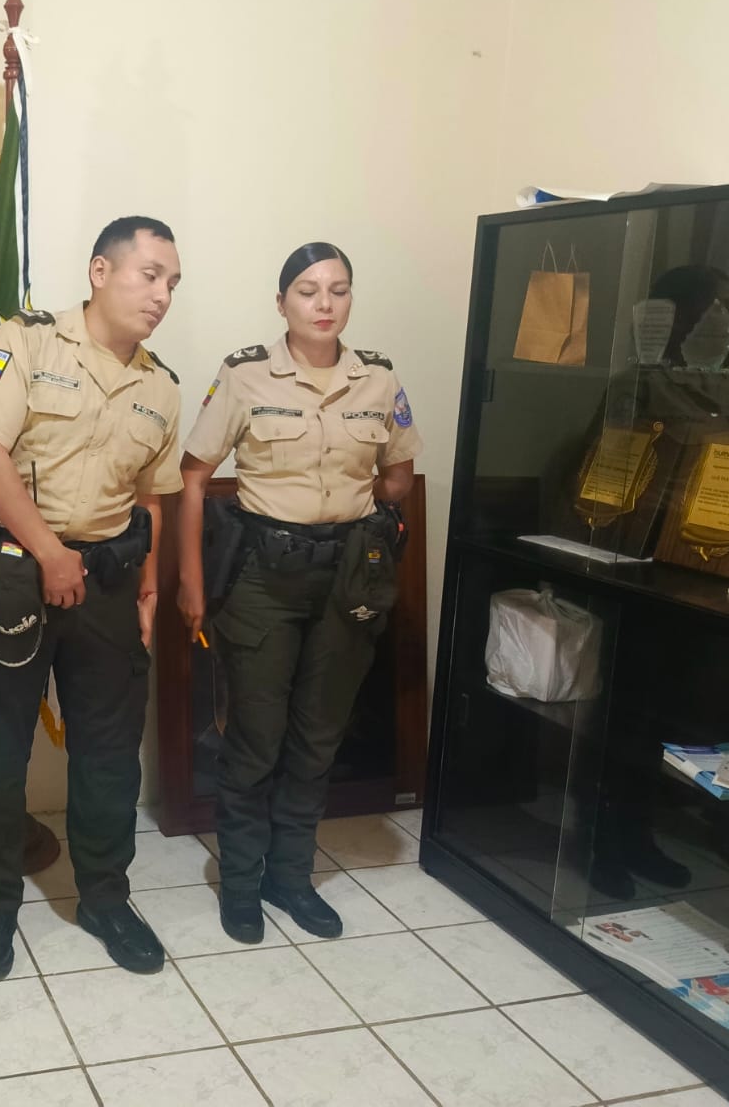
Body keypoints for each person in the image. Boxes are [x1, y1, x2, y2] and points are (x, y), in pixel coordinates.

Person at [0, 216, 184, 980]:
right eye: (149, 274)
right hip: (19, 573)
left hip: (110, 584)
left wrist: (148, 590)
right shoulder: (26, 342)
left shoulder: (161, 386)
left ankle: (105, 898)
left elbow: (151, 497)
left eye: (172, 283)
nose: (162, 294)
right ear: (100, 271)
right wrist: (52, 555)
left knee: (110, 755)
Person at [177, 241, 421, 944]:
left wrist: (361, 516)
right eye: (308, 291)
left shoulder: (378, 378)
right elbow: (194, 476)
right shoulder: (245, 374)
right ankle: (242, 883)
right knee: (255, 740)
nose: (324, 304)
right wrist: (192, 581)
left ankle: (291, 878)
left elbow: (398, 474)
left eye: (338, 290)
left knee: (318, 739)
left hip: (346, 579)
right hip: (263, 577)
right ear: (281, 301)